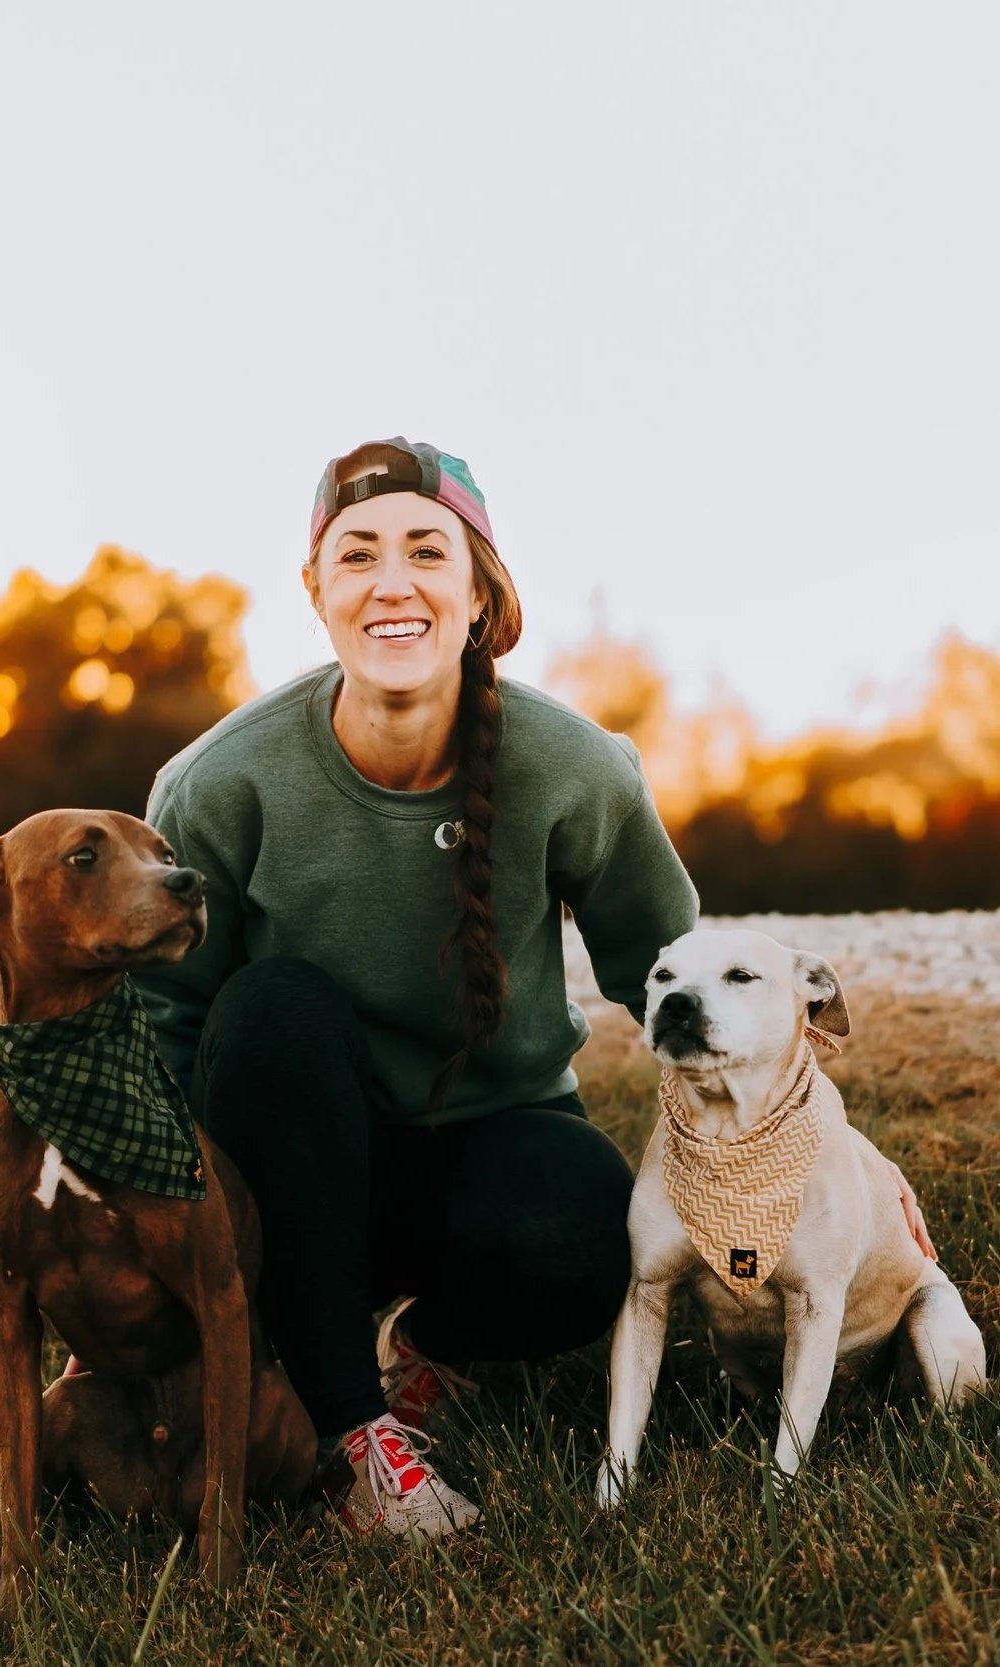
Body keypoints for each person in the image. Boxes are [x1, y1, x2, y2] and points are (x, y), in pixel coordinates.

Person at [135, 436, 933, 1540]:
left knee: (589, 1229)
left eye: (428, 550)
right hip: (293, 1162)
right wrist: (138, 1266)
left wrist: (843, 1166)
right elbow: (167, 1033)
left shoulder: (574, 769)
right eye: (357, 554)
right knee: (273, 1005)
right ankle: (349, 1432)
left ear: (479, 597)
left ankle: (420, 1356)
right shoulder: (217, 782)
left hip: (482, 1152)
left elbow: (704, 988)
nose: (393, 582)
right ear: (316, 592)